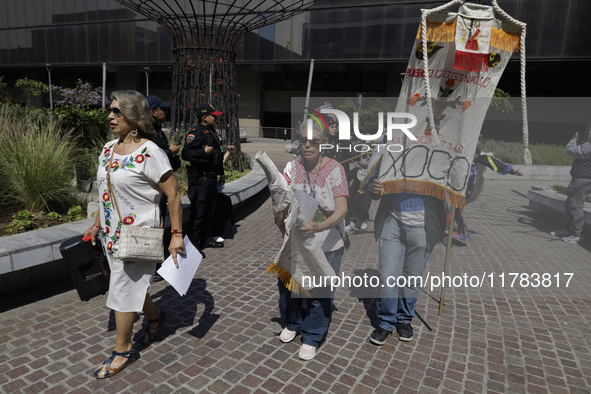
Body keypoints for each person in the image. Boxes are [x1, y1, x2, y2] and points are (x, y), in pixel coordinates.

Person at [84, 90, 185, 379]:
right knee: (128, 286)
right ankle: (156, 317)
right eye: (111, 111)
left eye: (117, 111)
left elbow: (174, 194)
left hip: (138, 235)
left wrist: (176, 234)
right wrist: (96, 224)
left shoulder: (150, 152)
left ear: (134, 116)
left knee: (122, 289)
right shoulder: (107, 149)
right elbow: (106, 192)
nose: (110, 116)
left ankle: (123, 348)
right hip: (111, 236)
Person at [278, 121, 349, 361]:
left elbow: (342, 209)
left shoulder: (336, 169)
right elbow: (283, 197)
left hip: (326, 240)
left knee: (321, 291)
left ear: (324, 143)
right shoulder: (292, 166)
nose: (307, 145)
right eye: (303, 140)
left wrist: (318, 225)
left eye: (314, 141)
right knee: (289, 284)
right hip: (297, 238)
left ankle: (312, 335)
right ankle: (294, 321)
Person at [366, 160, 446, 345]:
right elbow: (371, 185)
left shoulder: (437, 155)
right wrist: (374, 188)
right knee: (387, 278)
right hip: (392, 222)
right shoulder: (391, 153)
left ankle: (404, 319)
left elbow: (459, 188)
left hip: (424, 227)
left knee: (412, 278)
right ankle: (386, 322)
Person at [443, 149, 524, 244]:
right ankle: (443, 234)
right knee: (447, 208)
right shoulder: (453, 147)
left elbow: (490, 161)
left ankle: (445, 233)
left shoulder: (474, 150)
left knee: (454, 209)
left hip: (464, 186)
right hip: (450, 182)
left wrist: (510, 170)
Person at [146, 95, 181, 281]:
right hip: (153, 190)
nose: (165, 112)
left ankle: (157, 263)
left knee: (159, 223)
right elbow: (149, 157)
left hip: (160, 188)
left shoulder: (157, 129)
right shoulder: (147, 131)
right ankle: (153, 266)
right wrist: (170, 152)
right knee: (155, 224)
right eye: (162, 109)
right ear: (153, 112)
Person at [182, 103, 225, 254]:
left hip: (211, 180)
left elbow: (217, 155)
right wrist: (202, 151)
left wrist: (222, 173)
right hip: (200, 180)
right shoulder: (196, 134)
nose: (217, 119)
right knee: (198, 213)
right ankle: (193, 246)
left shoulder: (211, 132)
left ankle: (205, 239)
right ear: (205, 117)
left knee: (209, 211)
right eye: (214, 116)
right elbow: (185, 154)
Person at [550, 132, 591, 244]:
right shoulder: (587, 146)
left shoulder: (588, 146)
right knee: (569, 205)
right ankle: (566, 230)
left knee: (576, 208)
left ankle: (577, 235)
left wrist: (574, 139)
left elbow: (570, 150)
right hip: (586, 181)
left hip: (580, 181)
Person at [207, 144, 236, 247]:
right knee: (219, 203)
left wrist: (228, 152)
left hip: (213, 186)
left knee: (226, 200)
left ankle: (223, 232)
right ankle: (214, 233)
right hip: (205, 186)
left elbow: (219, 163)